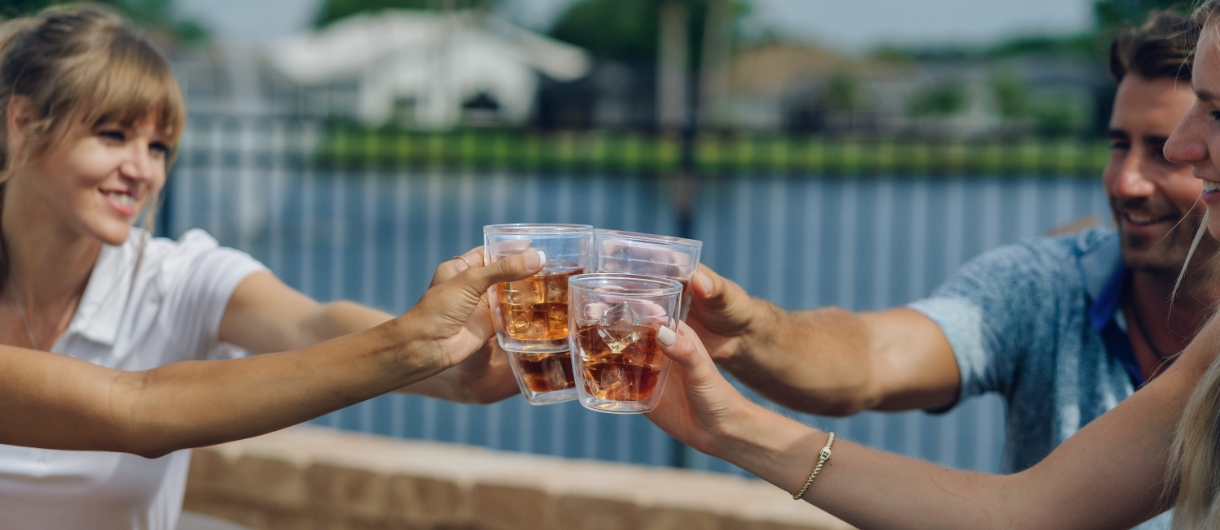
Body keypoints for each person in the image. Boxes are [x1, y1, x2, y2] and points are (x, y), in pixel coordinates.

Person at [641, 2, 1220, 528]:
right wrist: (747, 339)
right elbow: (878, 356)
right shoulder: (1048, 283)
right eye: (1119, 144)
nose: (1128, 179)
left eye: (1213, 116)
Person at [0, 5, 521, 529]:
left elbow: (311, 325)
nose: (142, 170)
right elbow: (135, 409)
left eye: (158, 147)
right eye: (113, 134)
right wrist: (416, 344)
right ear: (21, 123)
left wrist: (455, 365)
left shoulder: (174, 277)